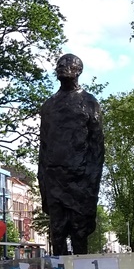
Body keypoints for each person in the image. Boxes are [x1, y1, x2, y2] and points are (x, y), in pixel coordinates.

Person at [38, 53, 105, 254]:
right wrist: (43, 181)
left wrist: (90, 182)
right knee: (57, 232)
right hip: (54, 178)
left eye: (67, 64)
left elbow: (97, 147)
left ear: (78, 71)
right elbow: (43, 145)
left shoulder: (89, 102)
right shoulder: (49, 106)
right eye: (59, 64)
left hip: (80, 180)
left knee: (79, 232)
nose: (61, 67)